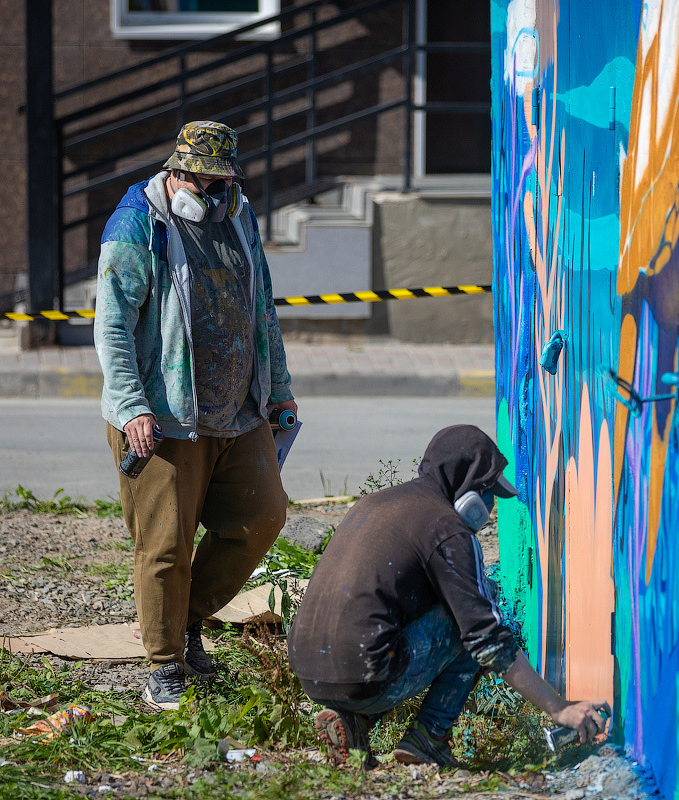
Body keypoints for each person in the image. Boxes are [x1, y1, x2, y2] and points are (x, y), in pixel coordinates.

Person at [95, 121, 298, 710]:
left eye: (222, 183)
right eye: (204, 183)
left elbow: (262, 303)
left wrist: (279, 386)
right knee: (165, 545)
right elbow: (111, 325)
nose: (214, 195)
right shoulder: (139, 222)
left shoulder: (238, 215)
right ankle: (163, 665)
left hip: (238, 410)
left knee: (261, 516)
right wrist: (132, 406)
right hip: (164, 416)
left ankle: (186, 618)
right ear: (177, 173)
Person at [287, 425, 610, 767]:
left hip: (310, 672)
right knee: (480, 606)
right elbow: (488, 639)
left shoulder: (373, 503)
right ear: (467, 488)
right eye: (487, 492)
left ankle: (355, 722)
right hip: (368, 676)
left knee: (412, 618)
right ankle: (429, 738)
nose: (488, 507)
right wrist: (560, 709)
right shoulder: (447, 528)